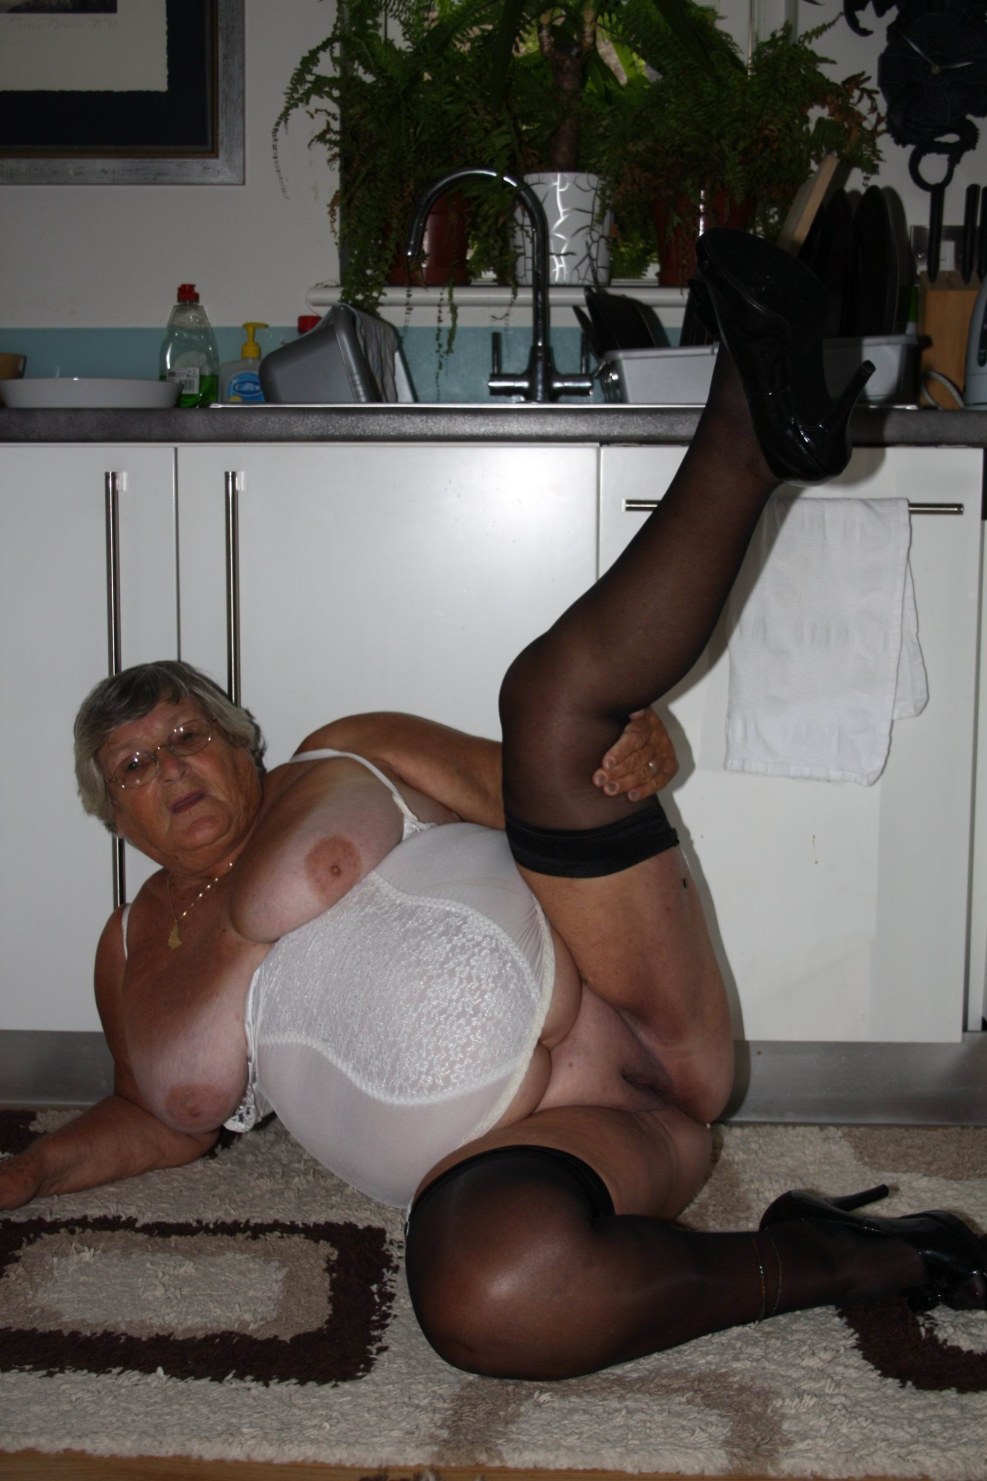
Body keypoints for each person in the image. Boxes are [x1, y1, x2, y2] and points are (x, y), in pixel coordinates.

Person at [1, 230, 984, 1380]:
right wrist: (30, 1169)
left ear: (239, 738)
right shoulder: (129, 952)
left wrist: (627, 744)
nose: (170, 768)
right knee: (483, 1294)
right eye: (131, 765)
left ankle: (748, 425)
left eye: (186, 735)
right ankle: (837, 1256)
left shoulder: (341, 753)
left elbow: (546, 782)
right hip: (579, 1144)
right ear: (109, 812)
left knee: (549, 702)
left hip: (639, 1012)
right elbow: (157, 1114)